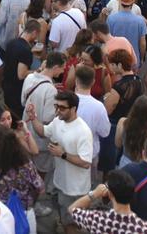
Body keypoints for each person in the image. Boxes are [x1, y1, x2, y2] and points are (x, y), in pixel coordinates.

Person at [28, 89, 93, 234]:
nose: (57, 111)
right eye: (56, 106)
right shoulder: (58, 121)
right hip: (59, 183)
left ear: (74, 109)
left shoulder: (83, 131)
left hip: (74, 190)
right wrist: (33, 118)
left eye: (62, 108)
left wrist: (62, 154)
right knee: (64, 217)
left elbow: (86, 162)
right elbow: (43, 132)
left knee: (71, 225)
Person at [66, 170, 147, 234]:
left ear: (110, 194)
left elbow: (72, 209)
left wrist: (94, 193)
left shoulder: (97, 219)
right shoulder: (145, 228)